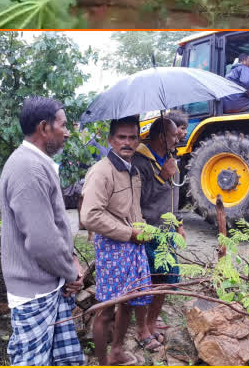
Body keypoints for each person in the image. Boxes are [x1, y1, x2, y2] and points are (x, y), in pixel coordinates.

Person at [0, 97, 85, 366]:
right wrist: (71, 273)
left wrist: (69, 261)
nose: (68, 132)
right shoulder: (28, 169)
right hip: (35, 291)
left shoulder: (35, 163)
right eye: (63, 125)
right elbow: (42, 242)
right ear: (44, 128)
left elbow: (52, 228)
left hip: (46, 284)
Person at [80, 116, 153, 363]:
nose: (127, 142)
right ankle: (103, 362)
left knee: (128, 301)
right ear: (110, 140)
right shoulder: (101, 172)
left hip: (133, 244)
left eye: (133, 137)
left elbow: (133, 209)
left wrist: (141, 227)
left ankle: (117, 352)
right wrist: (128, 233)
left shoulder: (132, 170)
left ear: (138, 140)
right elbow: (90, 215)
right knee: (106, 309)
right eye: (121, 137)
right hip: (113, 248)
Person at [133, 116, 187, 346]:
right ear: (161, 137)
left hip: (167, 231)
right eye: (174, 135)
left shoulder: (169, 158)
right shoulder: (139, 162)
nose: (178, 138)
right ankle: (142, 329)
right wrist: (162, 176)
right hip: (148, 232)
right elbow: (138, 200)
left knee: (166, 279)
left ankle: (153, 322)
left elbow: (172, 197)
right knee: (148, 282)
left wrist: (178, 224)